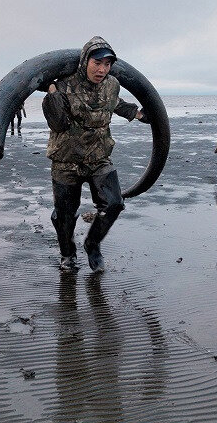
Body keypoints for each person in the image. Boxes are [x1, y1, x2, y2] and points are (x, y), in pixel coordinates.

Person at [42, 36, 147, 272]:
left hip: (99, 156)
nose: (102, 70)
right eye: (97, 63)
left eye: (107, 64)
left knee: (114, 204)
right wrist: (52, 92)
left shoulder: (112, 84)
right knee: (65, 214)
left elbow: (115, 103)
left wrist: (140, 115)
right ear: (85, 61)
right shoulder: (63, 85)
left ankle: (92, 244)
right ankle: (67, 254)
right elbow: (58, 123)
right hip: (66, 159)